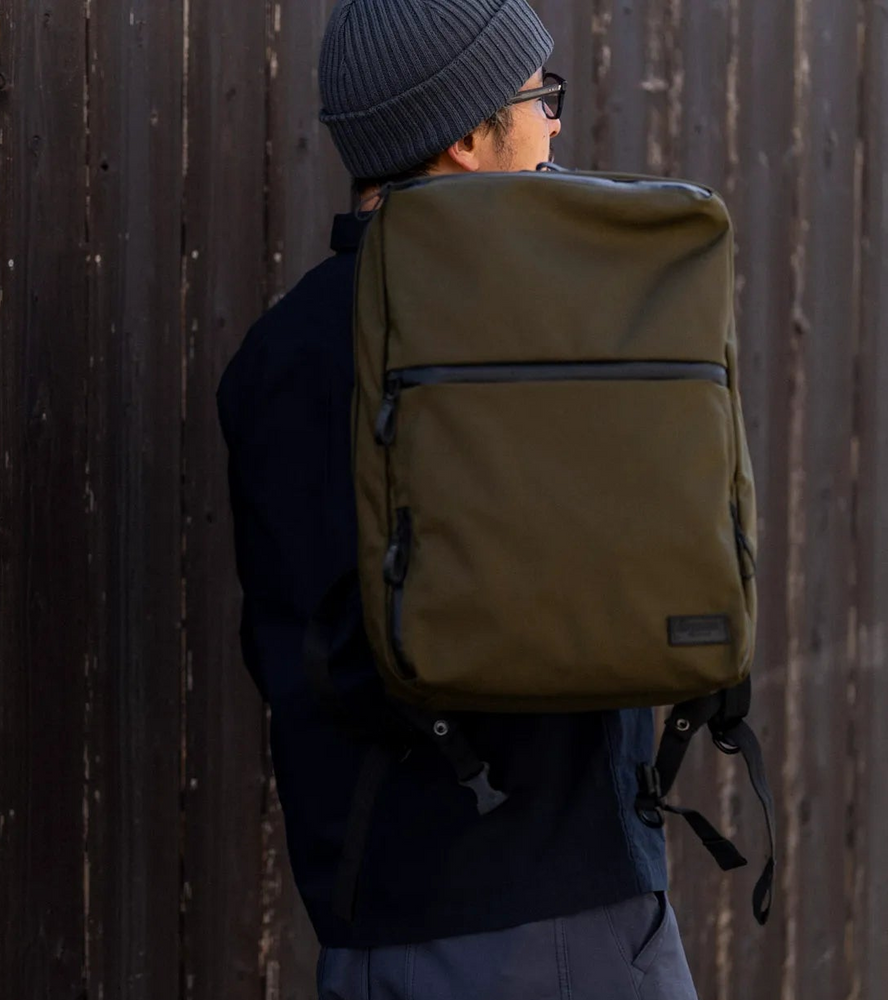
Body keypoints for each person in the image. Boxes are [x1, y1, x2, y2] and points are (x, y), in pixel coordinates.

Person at [217, 1, 700, 997]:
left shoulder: (279, 355)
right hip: (565, 910)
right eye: (538, 98)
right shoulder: (549, 319)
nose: (554, 125)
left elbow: (301, 652)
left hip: (377, 913)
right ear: (467, 139)